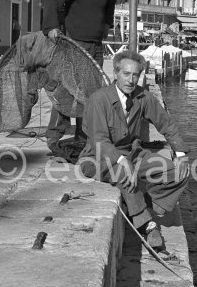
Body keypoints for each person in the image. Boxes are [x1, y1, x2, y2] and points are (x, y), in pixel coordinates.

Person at [78, 50, 189, 250]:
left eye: (135, 75)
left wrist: (180, 154)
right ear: (116, 74)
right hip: (98, 157)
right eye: (126, 74)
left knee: (177, 172)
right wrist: (121, 161)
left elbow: (166, 124)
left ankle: (149, 203)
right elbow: (99, 140)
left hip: (132, 154)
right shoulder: (99, 100)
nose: (131, 80)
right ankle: (148, 225)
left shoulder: (142, 97)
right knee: (125, 174)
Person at [42, 0, 116, 154]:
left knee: (91, 94)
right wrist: (51, 27)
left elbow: (110, 6)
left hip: (96, 47)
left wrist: (107, 26)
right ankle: (54, 135)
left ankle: (82, 137)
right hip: (75, 45)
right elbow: (53, 0)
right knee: (67, 90)